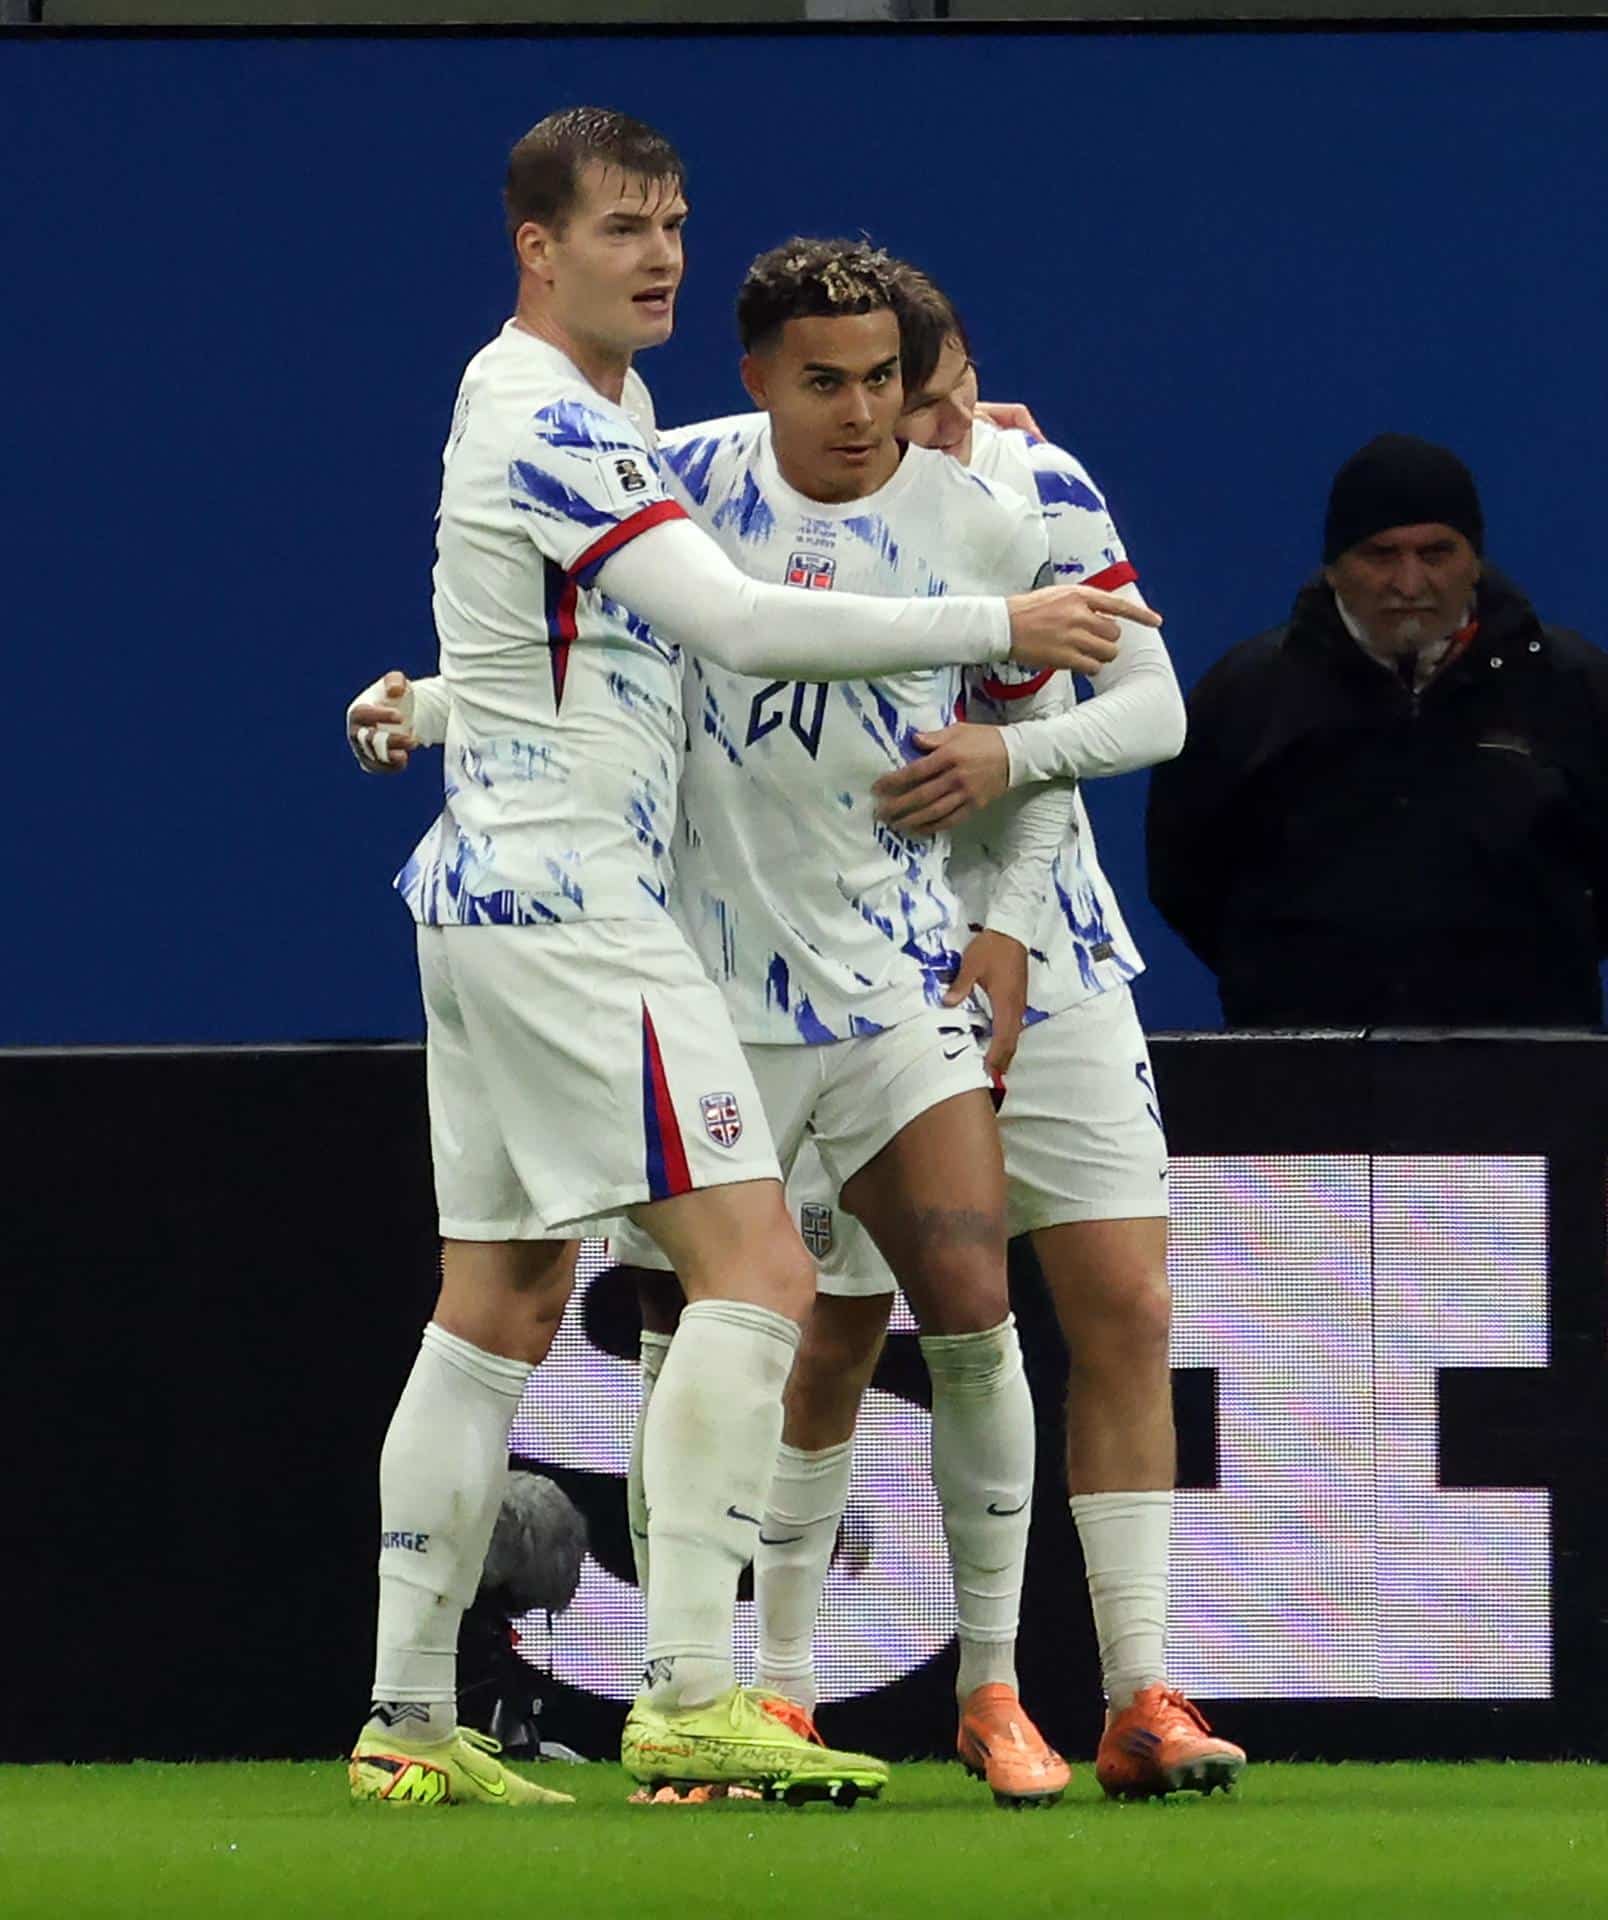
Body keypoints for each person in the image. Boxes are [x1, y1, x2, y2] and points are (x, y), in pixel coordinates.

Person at [349, 108, 1133, 1812]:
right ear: (536, 250)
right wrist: (1002, 622)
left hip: (487, 886)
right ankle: (695, 1692)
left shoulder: (606, 409)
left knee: (496, 1307)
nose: (659, 256)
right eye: (620, 228)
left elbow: (574, 654)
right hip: (574, 902)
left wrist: (439, 700)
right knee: (761, 1272)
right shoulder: (551, 415)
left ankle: (405, 1720)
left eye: (673, 224)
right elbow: (736, 621)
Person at [746, 269, 1244, 1802]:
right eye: (923, 408)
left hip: (1055, 950)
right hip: (851, 961)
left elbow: (1147, 712)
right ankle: (777, 1695)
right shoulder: (782, 522)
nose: (955, 430)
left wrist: (1010, 829)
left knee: (1127, 1304)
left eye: (960, 397)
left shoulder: (1039, 486)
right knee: (834, 1329)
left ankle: (1140, 1693)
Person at [1146, 434, 1608, 1029]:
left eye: (1436, 553)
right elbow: (1184, 879)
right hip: (1299, 1063)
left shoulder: (1571, 686)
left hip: (1532, 1060)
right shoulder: (1246, 696)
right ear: (1334, 568)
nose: (1409, 583)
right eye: (1381, 555)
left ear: (1475, 562)